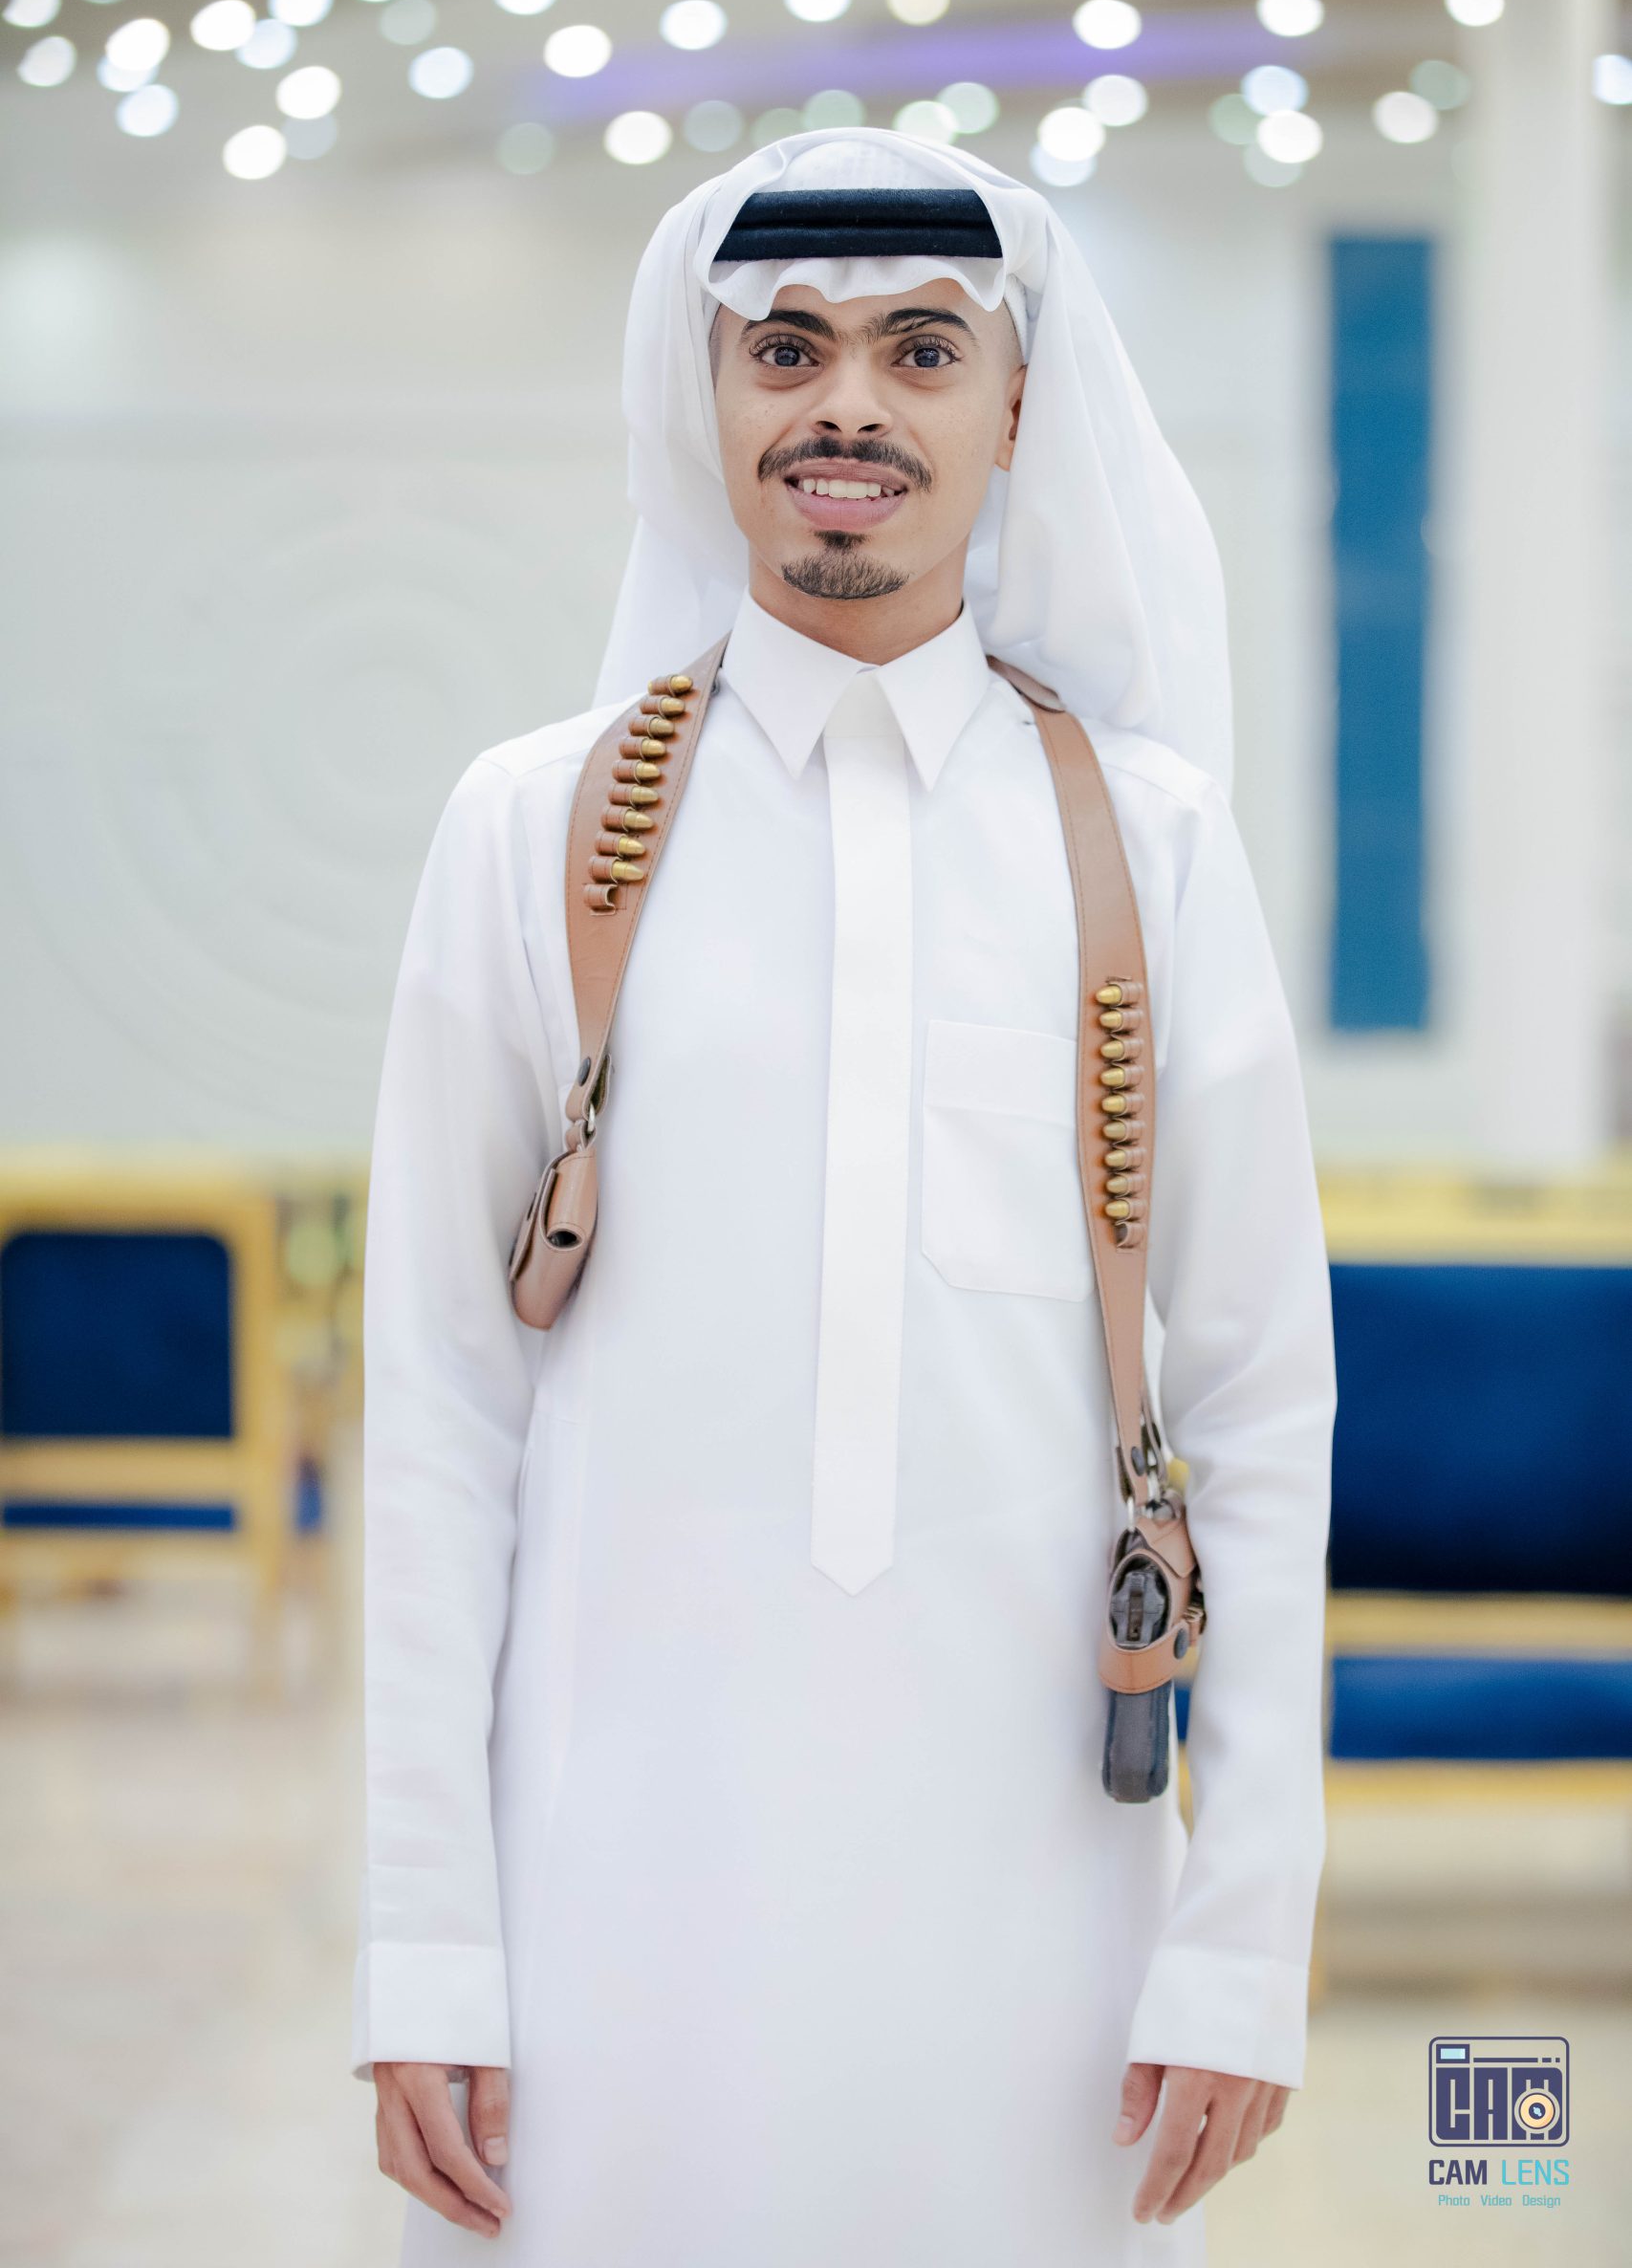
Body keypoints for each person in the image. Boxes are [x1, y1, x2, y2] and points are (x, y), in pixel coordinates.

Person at [354, 128, 1336, 2265]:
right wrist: (426, 1938)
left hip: (1049, 1921)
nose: (847, 407)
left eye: (921, 350)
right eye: (784, 348)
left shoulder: (1150, 848)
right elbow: (437, 1413)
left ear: (1015, 406)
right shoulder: (529, 831)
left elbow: (1257, 1408)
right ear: (702, 394)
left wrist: (1242, 1932)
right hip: (607, 1902)